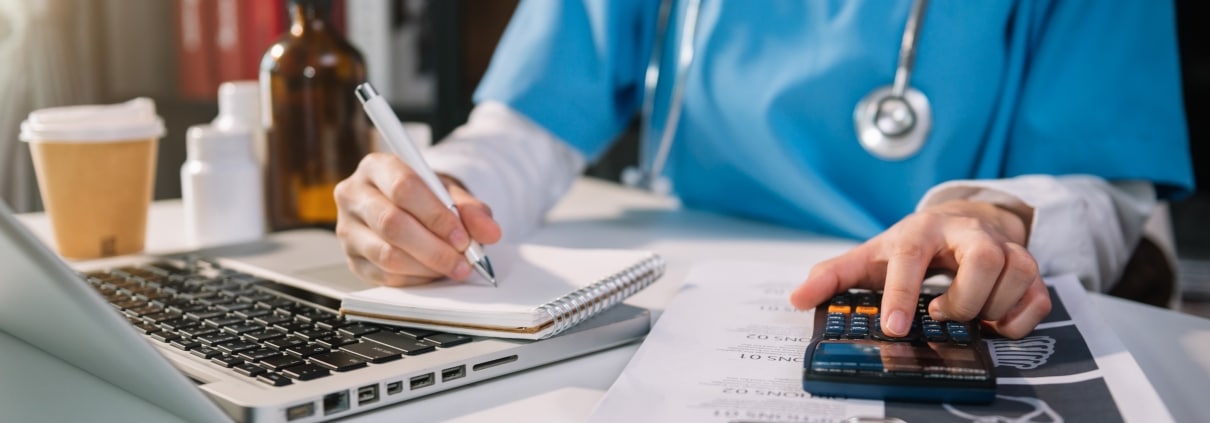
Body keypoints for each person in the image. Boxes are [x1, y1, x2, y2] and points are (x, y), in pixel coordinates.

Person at [333, 0, 1193, 339]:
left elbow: (1103, 185)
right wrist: (434, 196)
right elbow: (521, 131)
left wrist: (997, 222)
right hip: (692, 306)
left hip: (928, 320)